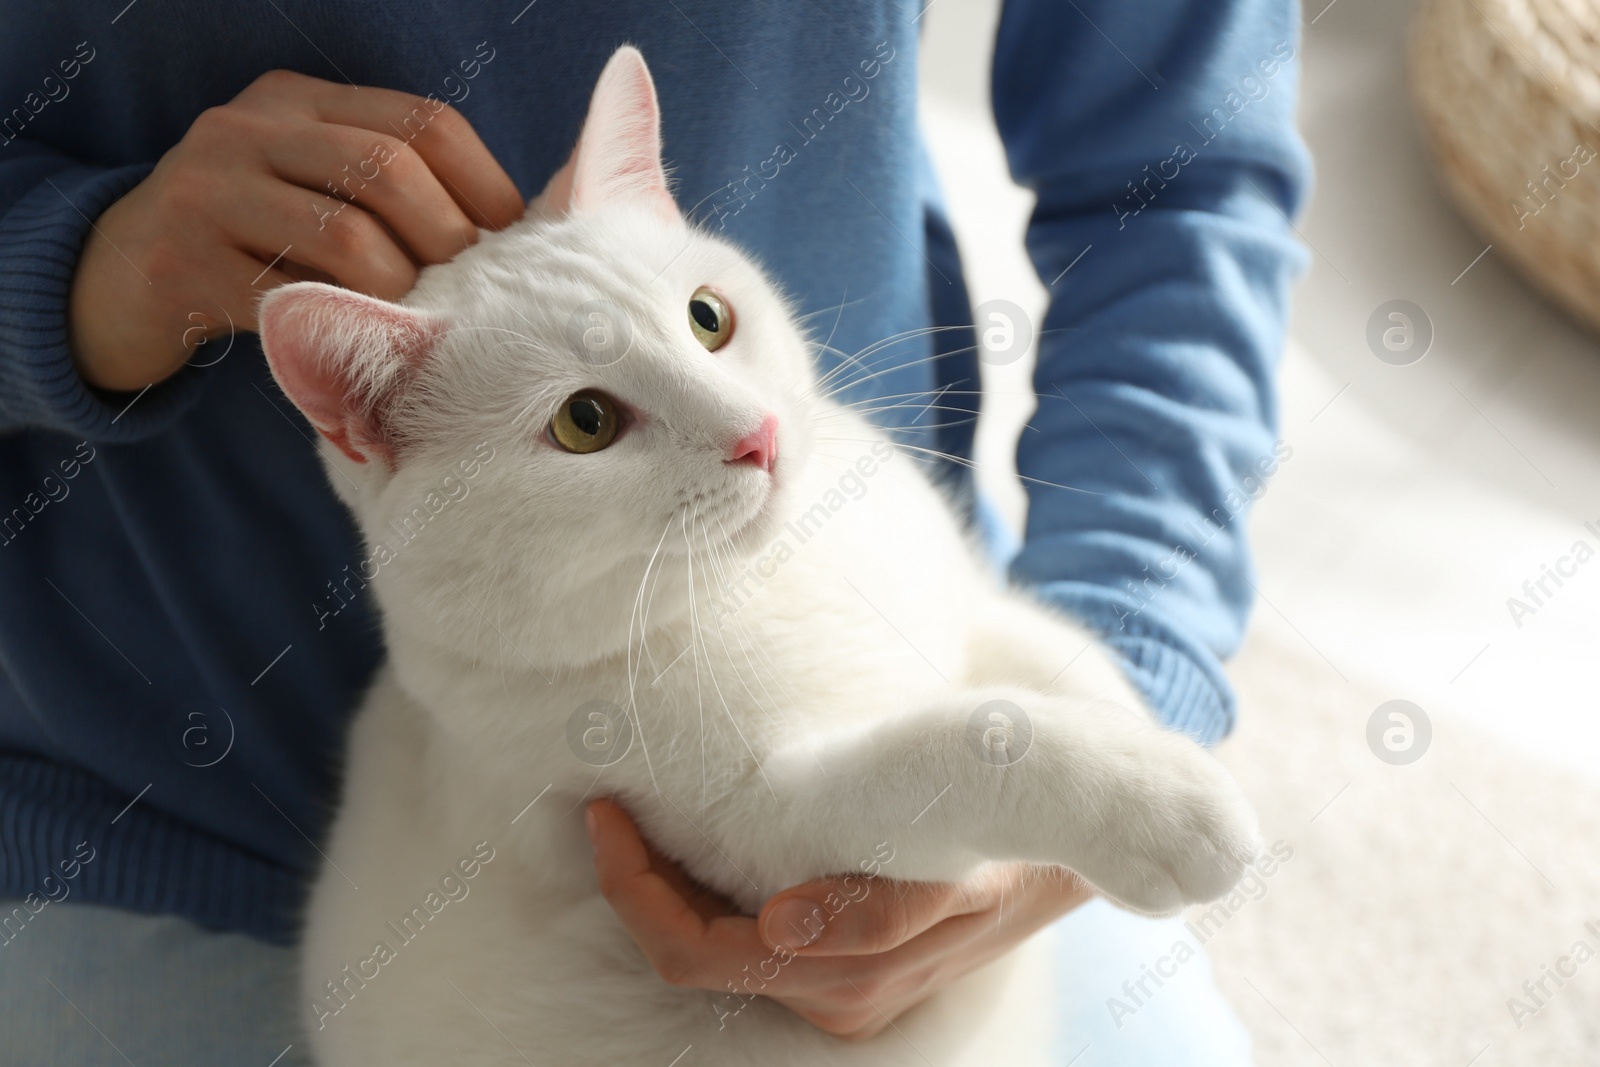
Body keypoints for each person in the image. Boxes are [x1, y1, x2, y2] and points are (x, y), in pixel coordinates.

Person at [0, 2, 1308, 1064]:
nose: (745, 427)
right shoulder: (584, 669)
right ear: (370, 430)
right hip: (131, 791)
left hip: (949, 817)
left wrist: (1133, 672)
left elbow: (1190, 177)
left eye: (710, 324)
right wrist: (66, 277)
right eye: (586, 421)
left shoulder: (799, 455)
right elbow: (792, 813)